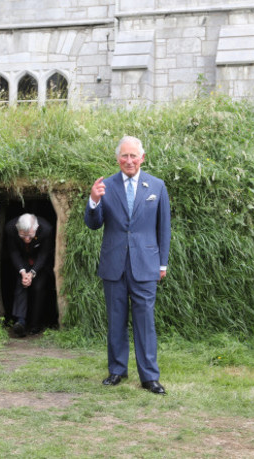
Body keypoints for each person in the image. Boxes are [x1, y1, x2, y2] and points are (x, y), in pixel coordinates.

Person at [84, 135, 171, 395]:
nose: (129, 160)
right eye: (125, 156)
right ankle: (117, 370)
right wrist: (93, 201)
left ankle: (149, 377)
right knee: (116, 319)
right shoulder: (105, 186)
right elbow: (93, 224)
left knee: (145, 321)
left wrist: (162, 263)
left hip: (146, 264)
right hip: (114, 264)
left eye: (134, 156)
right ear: (118, 158)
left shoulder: (157, 186)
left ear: (142, 158)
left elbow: (163, 228)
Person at [5, 213, 54, 337]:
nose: (27, 239)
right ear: (17, 228)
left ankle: (35, 324)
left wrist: (32, 273)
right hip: (22, 260)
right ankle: (20, 322)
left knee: (38, 288)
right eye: (23, 235)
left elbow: (44, 254)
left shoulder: (46, 229)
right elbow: (13, 251)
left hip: (40, 263)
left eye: (30, 235)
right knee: (21, 284)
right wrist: (22, 272)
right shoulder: (10, 228)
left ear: (36, 228)